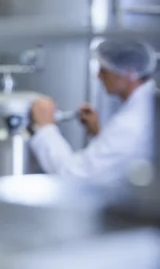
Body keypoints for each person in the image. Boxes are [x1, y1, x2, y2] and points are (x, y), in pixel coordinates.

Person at [29, 38, 157, 186]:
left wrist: (46, 127)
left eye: (105, 71)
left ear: (129, 73)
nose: (98, 76)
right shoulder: (146, 105)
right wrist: (99, 134)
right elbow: (123, 160)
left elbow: (74, 175)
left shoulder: (130, 123)